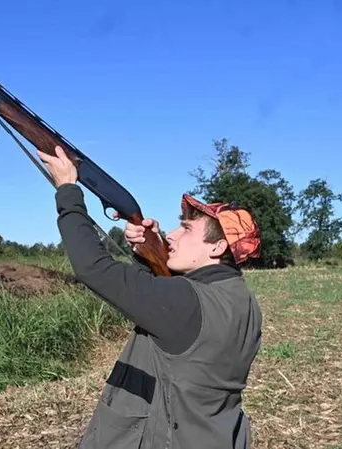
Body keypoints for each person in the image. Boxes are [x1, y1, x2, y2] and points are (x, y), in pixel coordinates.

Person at [36, 145, 264, 449]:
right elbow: (180, 333)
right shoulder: (243, 301)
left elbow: (94, 268)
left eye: (186, 230)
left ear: (217, 247)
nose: (172, 234)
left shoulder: (185, 302)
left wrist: (67, 190)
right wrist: (149, 251)